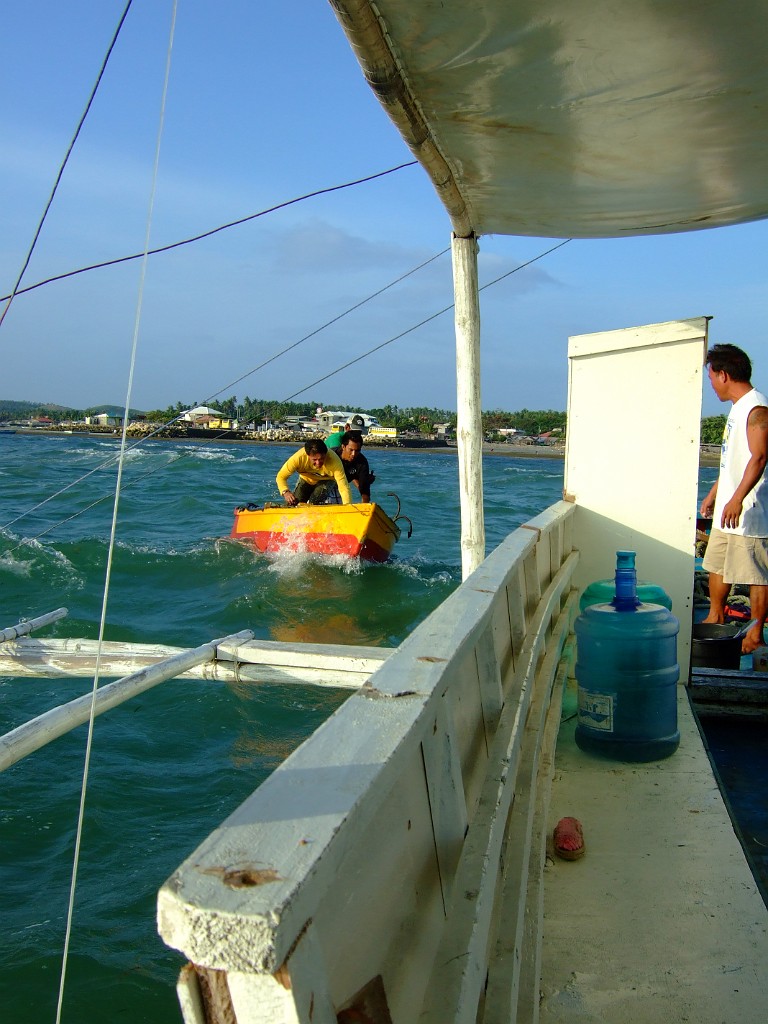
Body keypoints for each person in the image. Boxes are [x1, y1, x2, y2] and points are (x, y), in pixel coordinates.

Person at [700, 343, 768, 653]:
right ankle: (715, 615)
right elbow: (732, 461)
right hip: (728, 508)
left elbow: (760, 456)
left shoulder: (757, 409)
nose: (711, 384)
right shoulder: (736, 408)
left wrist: (738, 498)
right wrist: (715, 495)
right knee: (716, 564)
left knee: (755, 573)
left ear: (724, 375)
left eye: (711, 377)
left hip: (750, 511)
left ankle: (755, 634)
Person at [276, 438, 351, 506]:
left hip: (326, 480)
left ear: (326, 454)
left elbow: (343, 486)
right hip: (306, 479)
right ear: (308, 455)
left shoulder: (334, 460)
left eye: (321, 459)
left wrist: (347, 506)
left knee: (313, 502)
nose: (318, 463)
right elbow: (281, 477)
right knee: (294, 503)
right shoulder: (298, 458)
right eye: (314, 460)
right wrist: (285, 492)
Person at [329, 430, 375, 503]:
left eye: (357, 450)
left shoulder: (362, 462)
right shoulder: (330, 455)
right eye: (351, 450)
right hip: (324, 482)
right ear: (343, 447)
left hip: (342, 487)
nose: (353, 454)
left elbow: (364, 492)